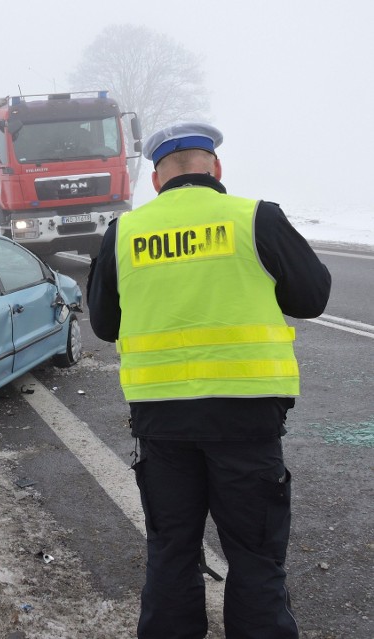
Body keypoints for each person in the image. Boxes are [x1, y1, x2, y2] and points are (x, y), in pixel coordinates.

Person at [87, 122, 331, 639]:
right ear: (215, 168)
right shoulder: (255, 218)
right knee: (256, 556)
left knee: (172, 552)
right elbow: (312, 298)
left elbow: (105, 324)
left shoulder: (125, 232)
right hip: (247, 418)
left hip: (162, 422)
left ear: (156, 180)